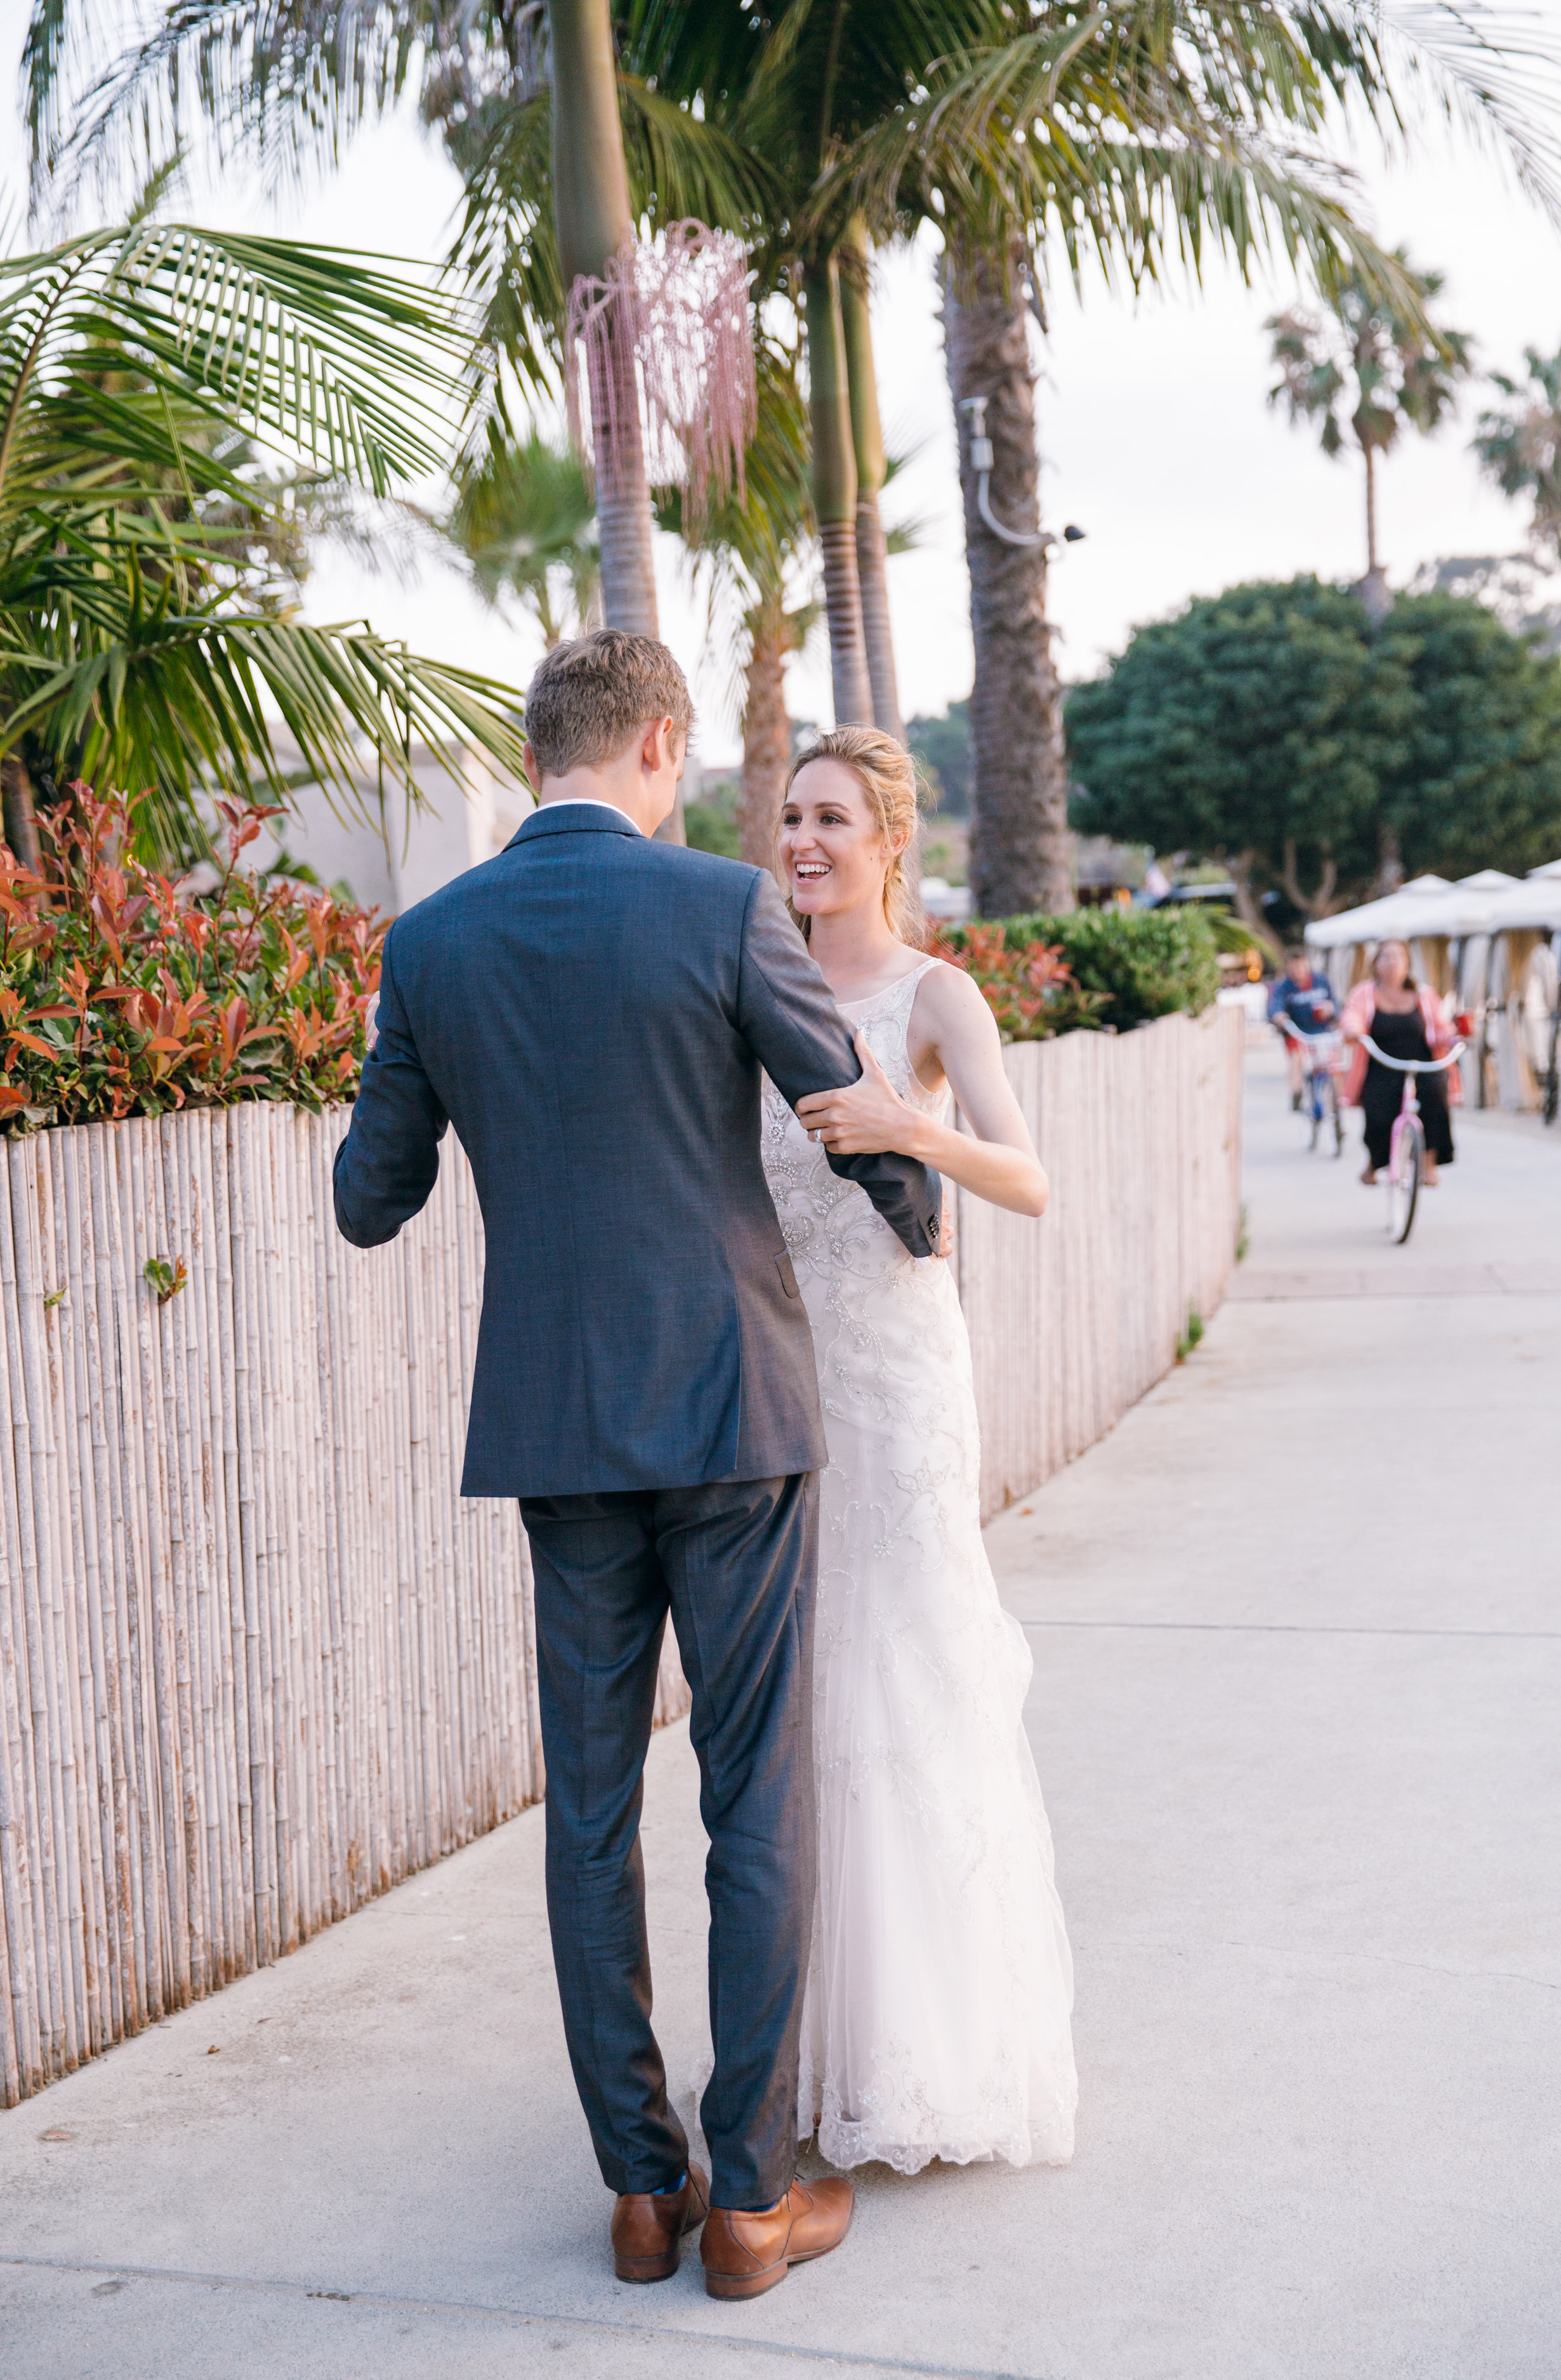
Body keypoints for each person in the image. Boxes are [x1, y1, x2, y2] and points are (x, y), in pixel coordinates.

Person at [332, 631, 942, 2303]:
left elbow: (366, 1197)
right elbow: (843, 1101)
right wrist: (920, 1217)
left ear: (541, 753)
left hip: (555, 1429)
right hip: (732, 1412)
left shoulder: (430, 942)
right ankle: (748, 2198)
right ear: (659, 742)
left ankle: (638, 2187)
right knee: (752, 1792)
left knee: (586, 1808)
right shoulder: (718, 905)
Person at [762, 725, 1079, 2176]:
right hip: (782, 1374)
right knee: (810, 1692)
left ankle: (931, 2046)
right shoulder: (755, 984)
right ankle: (815, 2034)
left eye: (831, 817)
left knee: (907, 1669)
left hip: (901, 1376)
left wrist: (911, 1126)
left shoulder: (936, 995)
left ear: (890, 840)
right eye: (788, 816)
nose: (804, 839)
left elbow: (1026, 1177)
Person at [1340, 937, 1459, 1186]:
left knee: (1436, 1095)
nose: (1393, 962)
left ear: (1408, 963)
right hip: (1381, 1063)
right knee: (1378, 1112)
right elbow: (1353, 1016)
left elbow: (1441, 1026)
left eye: (1398, 957)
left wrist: (1455, 1035)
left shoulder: (1424, 995)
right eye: (1387, 956)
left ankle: (1428, 1164)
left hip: (1421, 1063)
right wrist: (1353, 1030)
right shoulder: (1364, 993)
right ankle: (1375, 1161)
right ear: (1376, 963)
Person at [1267, 946, 1336, 1107]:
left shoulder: (1321, 981)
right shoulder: (1283, 987)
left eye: (1301, 964)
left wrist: (1331, 1009)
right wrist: (1279, 1016)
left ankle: (1337, 1101)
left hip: (1321, 1031)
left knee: (1332, 1062)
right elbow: (1275, 1007)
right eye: (1294, 965)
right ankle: (1296, 1092)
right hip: (1297, 1032)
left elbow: (1335, 1003)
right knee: (1297, 1057)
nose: (1299, 969)